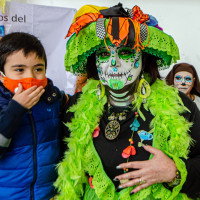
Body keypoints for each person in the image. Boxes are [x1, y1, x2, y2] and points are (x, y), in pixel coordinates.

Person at [55, 4, 200, 200]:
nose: (113, 63)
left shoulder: (180, 106)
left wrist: (174, 172)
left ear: (144, 59)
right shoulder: (76, 107)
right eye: (104, 55)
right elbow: (67, 170)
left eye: (125, 53)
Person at [0, 32, 68, 200]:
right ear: (2, 74)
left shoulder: (53, 98)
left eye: (38, 69)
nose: (30, 77)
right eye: (19, 70)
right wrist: (15, 109)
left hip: (49, 194)